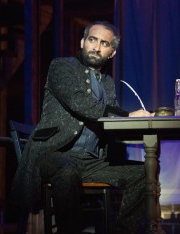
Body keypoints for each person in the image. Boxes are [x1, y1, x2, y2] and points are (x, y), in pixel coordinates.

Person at [10, 21, 158, 234]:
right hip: (52, 154)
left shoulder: (107, 81)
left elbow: (111, 116)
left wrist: (144, 117)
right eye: (92, 40)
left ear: (112, 52)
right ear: (82, 42)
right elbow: (80, 103)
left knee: (146, 172)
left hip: (89, 161)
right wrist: (127, 114)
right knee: (68, 169)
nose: (96, 47)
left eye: (104, 43)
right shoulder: (62, 67)